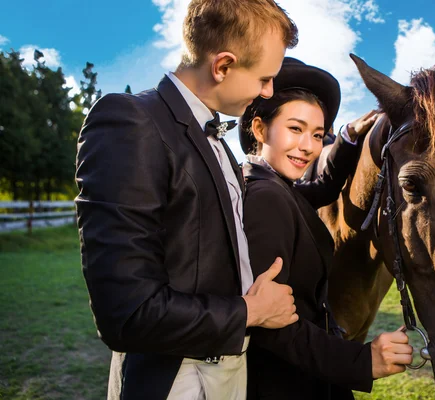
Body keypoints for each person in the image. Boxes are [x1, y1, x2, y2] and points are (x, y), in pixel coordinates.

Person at [75, 1, 302, 399]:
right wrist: (252, 311)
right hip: (175, 380)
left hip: (230, 369)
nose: (268, 91)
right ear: (223, 66)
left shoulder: (218, 142)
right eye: (265, 78)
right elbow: (125, 312)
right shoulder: (131, 121)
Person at [239, 57, 414, 400]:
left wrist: (347, 139)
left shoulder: (273, 185)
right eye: (295, 129)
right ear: (259, 130)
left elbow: (320, 188)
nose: (308, 146)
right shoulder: (264, 198)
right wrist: (362, 362)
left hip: (302, 375)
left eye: (317, 135)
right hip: (285, 383)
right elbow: (272, 328)